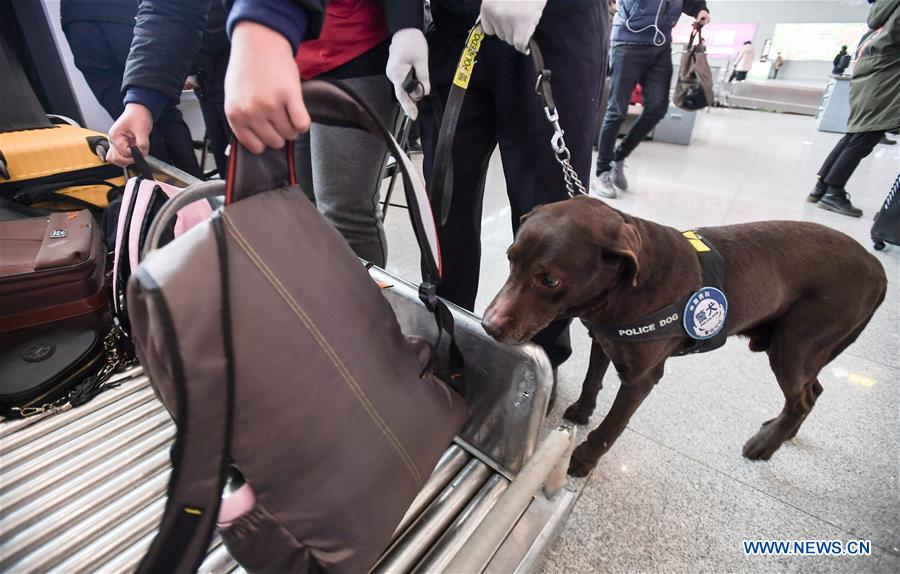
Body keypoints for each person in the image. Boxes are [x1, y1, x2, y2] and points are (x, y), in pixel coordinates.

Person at [107, 0, 426, 267]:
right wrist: (142, 100)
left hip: (352, 45)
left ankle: (362, 323)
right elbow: (172, 6)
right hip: (282, 58)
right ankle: (323, 310)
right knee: (301, 209)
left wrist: (405, 24)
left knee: (343, 211)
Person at [417, 0, 606, 388]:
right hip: (454, 28)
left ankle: (538, 358)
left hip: (552, 20)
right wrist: (406, 28)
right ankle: (444, 332)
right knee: (444, 203)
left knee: (552, 215)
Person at [60, 0, 202, 177]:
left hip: (77, 18)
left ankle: (163, 194)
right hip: (124, 13)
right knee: (162, 111)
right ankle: (196, 190)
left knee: (130, 124)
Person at [591, 0, 710, 200]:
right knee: (616, 110)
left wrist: (700, 9)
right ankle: (602, 172)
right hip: (627, 42)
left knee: (657, 108)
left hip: (660, 45)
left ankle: (619, 157)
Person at [807, 0, 900, 217]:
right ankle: (833, 192)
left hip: (870, 78)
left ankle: (821, 187)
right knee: (864, 138)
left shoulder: (881, 14)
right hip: (883, 80)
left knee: (853, 136)